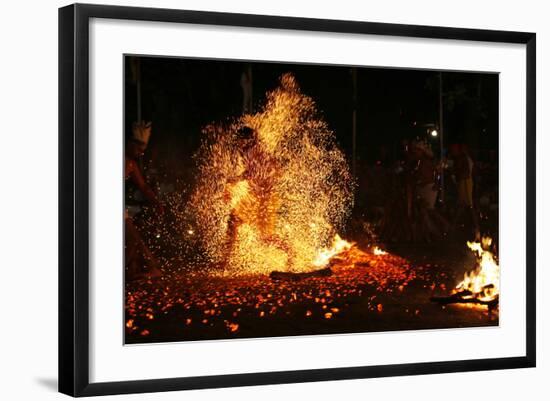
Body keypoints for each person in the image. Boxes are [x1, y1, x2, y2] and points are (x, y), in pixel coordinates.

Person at [223, 126, 293, 268]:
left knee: (265, 237)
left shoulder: (254, 151)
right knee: (232, 222)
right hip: (256, 196)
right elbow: (269, 168)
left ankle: (290, 252)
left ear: (247, 140)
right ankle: (224, 261)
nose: (238, 143)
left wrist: (235, 179)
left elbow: (255, 172)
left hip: (263, 199)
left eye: (240, 140)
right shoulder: (252, 151)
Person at [125, 121, 164, 280]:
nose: (141, 154)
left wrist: (156, 202)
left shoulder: (131, 164)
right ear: (129, 143)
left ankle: (136, 271)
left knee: (134, 239)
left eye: (143, 151)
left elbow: (143, 187)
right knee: (133, 238)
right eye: (138, 149)